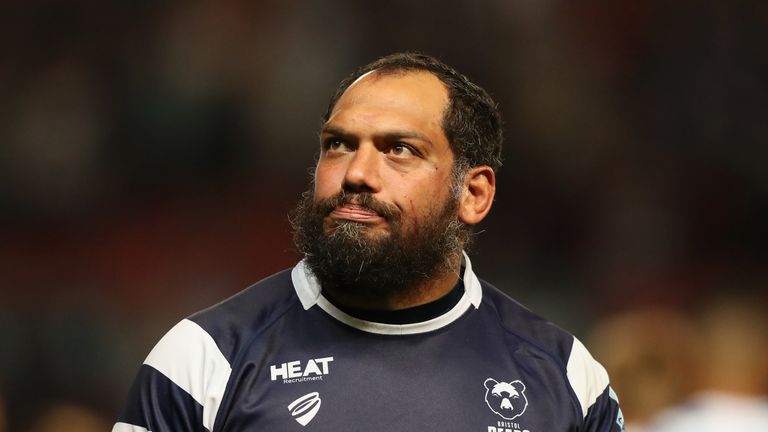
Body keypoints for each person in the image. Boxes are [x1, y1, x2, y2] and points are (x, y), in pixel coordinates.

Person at [113, 52, 624, 432]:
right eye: (338, 145)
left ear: (473, 194)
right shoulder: (203, 360)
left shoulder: (564, 377)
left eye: (399, 149)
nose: (356, 173)